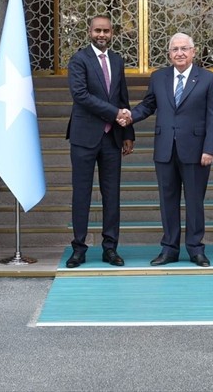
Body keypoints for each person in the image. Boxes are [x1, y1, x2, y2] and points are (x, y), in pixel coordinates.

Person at [120, 32, 213, 267]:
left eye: (184, 48)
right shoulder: (159, 78)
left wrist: (210, 149)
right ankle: (169, 249)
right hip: (165, 149)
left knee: (195, 201)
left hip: (197, 151)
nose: (180, 53)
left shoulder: (207, 79)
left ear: (193, 52)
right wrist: (129, 117)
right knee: (168, 201)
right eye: (175, 49)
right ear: (169, 54)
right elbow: (148, 105)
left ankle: (196, 249)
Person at [65, 14, 135, 268]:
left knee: (112, 194)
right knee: (81, 194)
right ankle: (79, 248)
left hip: (112, 138)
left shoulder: (117, 60)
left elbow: (122, 97)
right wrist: (114, 114)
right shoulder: (79, 60)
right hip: (84, 138)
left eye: (106, 31)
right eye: (97, 31)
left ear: (112, 32)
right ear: (89, 32)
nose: (101, 35)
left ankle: (110, 248)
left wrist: (128, 133)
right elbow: (81, 95)